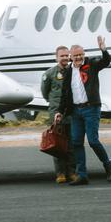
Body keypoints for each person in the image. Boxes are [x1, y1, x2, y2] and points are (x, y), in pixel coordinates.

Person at [55, 36, 111, 186]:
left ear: (84, 54)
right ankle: (82, 175)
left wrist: (103, 50)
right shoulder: (68, 71)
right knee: (76, 142)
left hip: (91, 108)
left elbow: (106, 62)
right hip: (76, 111)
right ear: (71, 57)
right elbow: (65, 93)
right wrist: (60, 111)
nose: (79, 57)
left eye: (81, 54)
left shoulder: (92, 64)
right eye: (76, 56)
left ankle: (108, 165)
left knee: (93, 141)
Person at [40, 45, 76, 184]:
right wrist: (54, 106)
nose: (65, 58)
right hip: (56, 113)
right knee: (57, 144)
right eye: (62, 56)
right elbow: (45, 92)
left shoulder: (74, 72)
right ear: (56, 57)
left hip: (71, 113)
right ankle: (60, 173)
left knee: (71, 144)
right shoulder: (49, 74)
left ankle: (72, 172)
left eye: (67, 56)